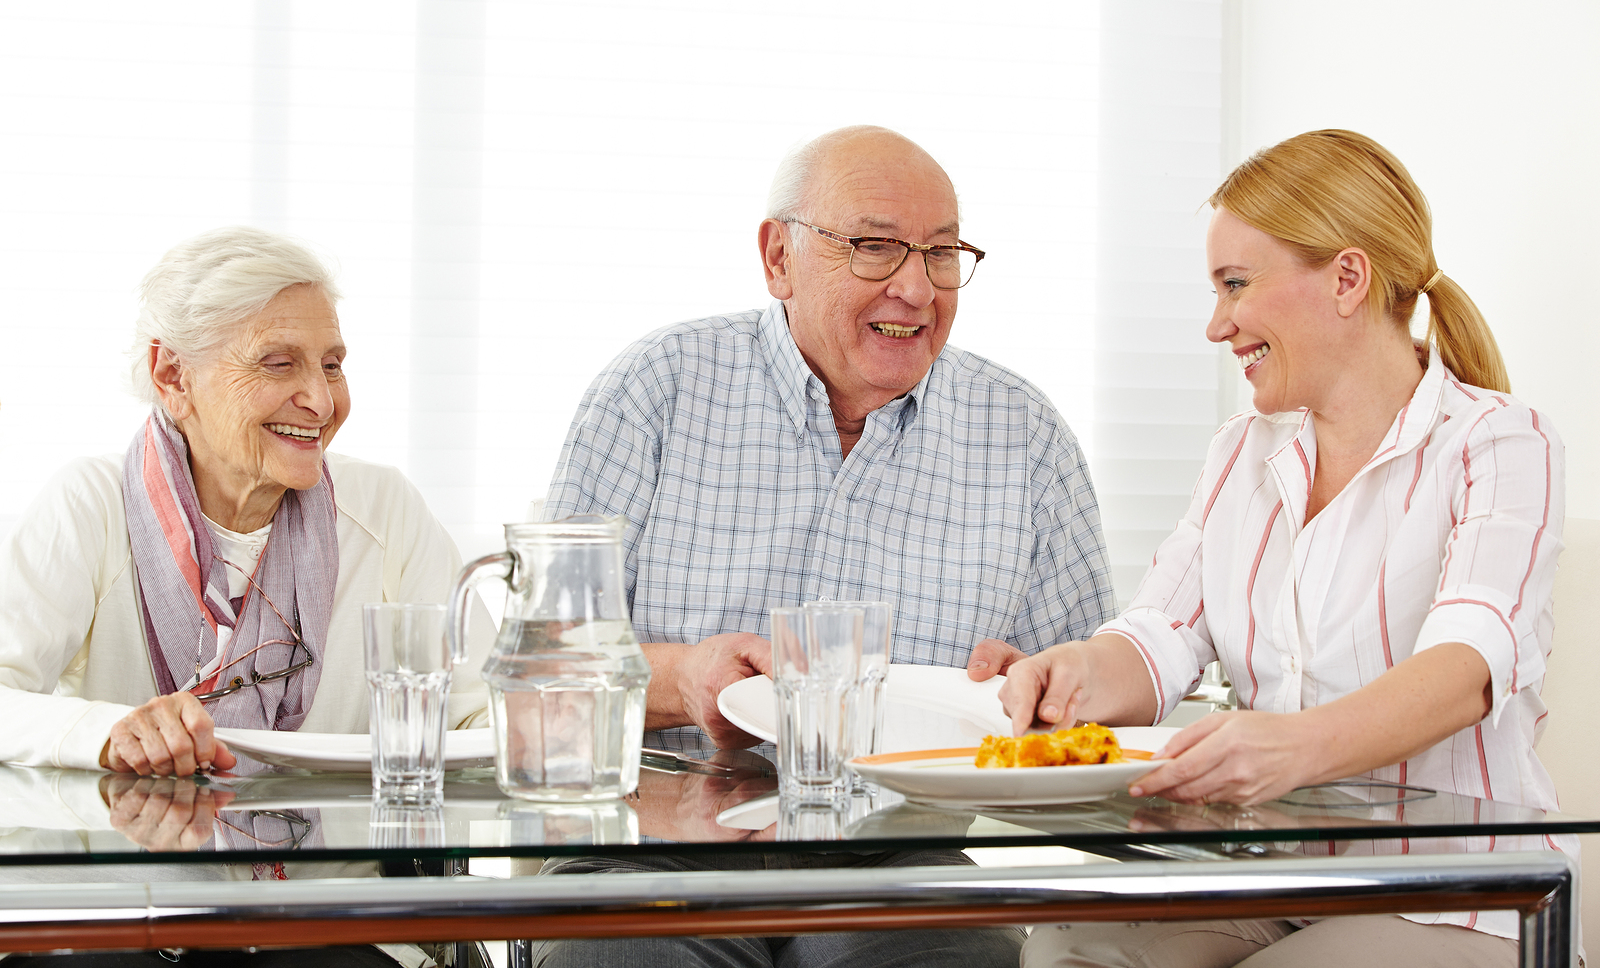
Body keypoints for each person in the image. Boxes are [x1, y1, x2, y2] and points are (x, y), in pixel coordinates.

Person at [533, 125, 1117, 968]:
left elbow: (1095, 697)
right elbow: (540, 673)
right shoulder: (654, 389)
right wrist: (680, 679)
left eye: (943, 253)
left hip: (898, 861)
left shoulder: (1023, 435)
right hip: (651, 846)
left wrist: (1039, 692)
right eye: (876, 247)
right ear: (778, 258)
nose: (917, 287)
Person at [1003, 129, 1564, 968]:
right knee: (1066, 947)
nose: (1215, 323)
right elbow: (1159, 633)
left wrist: (1291, 747)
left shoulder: (1500, 442)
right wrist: (1077, 674)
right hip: (1276, 877)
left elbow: (1467, 664)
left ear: (1347, 277)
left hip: (1461, 894)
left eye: (1236, 284)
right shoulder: (1241, 452)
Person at [0, 226, 493, 968]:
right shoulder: (91, 503)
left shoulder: (383, 509)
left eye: (332, 364)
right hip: (138, 912)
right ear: (173, 375)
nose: (321, 399)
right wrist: (111, 732)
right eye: (278, 363)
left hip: (332, 920)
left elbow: (491, 711)